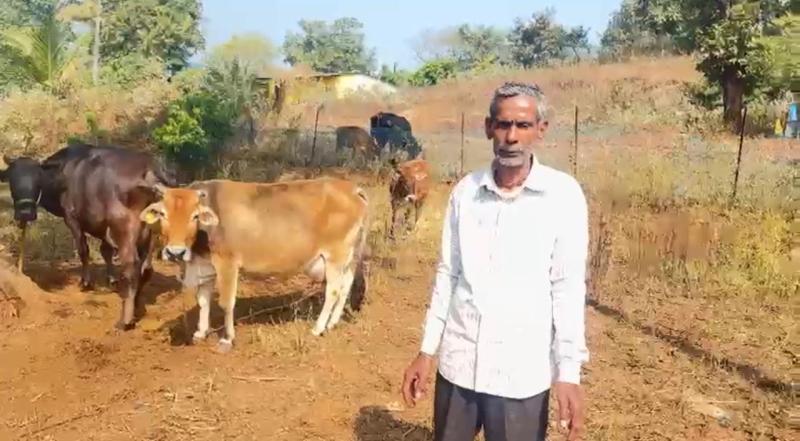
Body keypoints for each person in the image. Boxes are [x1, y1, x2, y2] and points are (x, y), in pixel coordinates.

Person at [401, 81, 590, 441]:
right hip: (460, 366)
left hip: (520, 376)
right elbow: (448, 274)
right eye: (503, 125)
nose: (512, 137)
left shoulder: (562, 196)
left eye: (523, 125)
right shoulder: (466, 192)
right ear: (489, 128)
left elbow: (566, 288)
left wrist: (569, 373)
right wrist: (426, 350)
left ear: (541, 130)